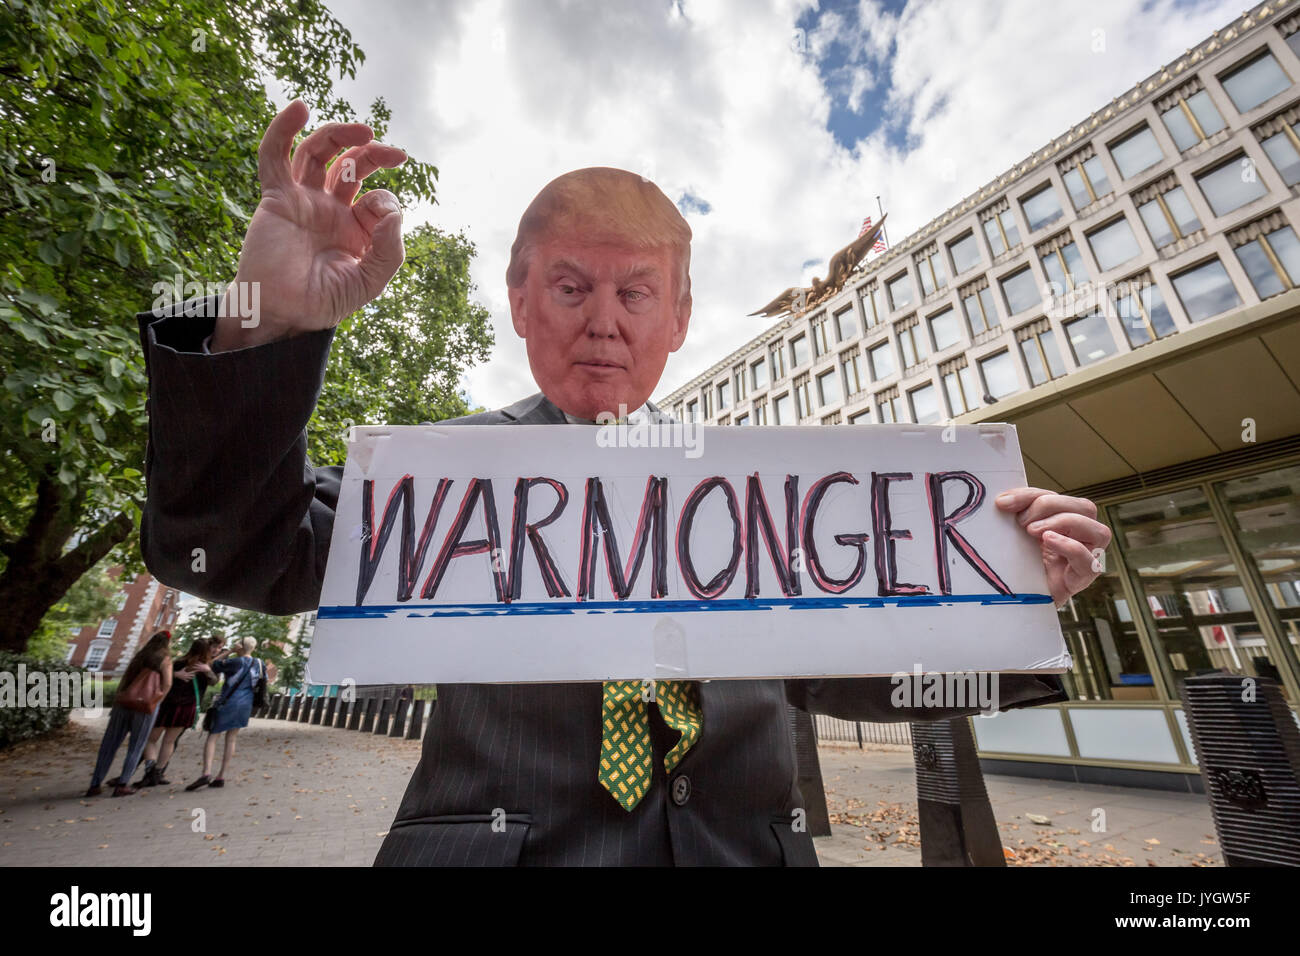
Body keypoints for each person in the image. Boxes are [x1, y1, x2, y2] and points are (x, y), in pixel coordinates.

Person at [136, 101, 1112, 864]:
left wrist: (1009, 592)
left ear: (678, 318)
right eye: (570, 286)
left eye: (635, 291)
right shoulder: (437, 482)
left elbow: (849, 665)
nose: (604, 320)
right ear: (521, 303)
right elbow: (230, 545)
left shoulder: (769, 502)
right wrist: (267, 322)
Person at [86, 630, 174, 798]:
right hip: (145, 707)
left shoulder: (139, 657)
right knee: (136, 746)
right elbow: (167, 683)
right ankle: (122, 784)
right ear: (167, 645)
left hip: (123, 703)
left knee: (109, 745)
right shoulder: (165, 659)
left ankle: (95, 784)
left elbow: (125, 679)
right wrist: (158, 701)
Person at [136, 637, 229, 787]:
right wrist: (208, 671)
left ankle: (151, 769)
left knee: (151, 739)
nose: (216, 650)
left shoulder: (179, 662)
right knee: (169, 741)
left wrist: (175, 674)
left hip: (168, 704)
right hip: (187, 707)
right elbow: (214, 682)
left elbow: (161, 677)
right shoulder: (207, 667)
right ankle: (157, 772)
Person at [184, 637, 275, 791]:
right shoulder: (259, 664)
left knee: (213, 737)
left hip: (228, 702)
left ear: (240, 646)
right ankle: (221, 776)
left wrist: (231, 651)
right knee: (231, 739)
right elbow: (263, 681)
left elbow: (211, 664)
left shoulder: (235, 662)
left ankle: (206, 773)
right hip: (245, 705)